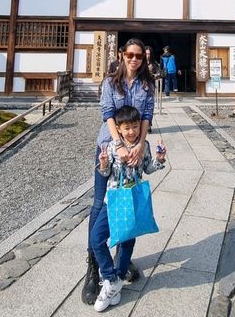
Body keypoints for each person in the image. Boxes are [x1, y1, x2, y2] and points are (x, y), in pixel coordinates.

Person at [82, 38, 155, 305]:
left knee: (128, 201)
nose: (134, 59)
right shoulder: (111, 82)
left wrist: (140, 144)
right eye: (130, 55)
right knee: (100, 205)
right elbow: (108, 113)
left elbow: (147, 115)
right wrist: (119, 144)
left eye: (139, 55)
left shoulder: (148, 84)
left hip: (135, 152)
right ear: (122, 55)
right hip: (109, 148)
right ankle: (93, 268)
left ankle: (119, 261)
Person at [90, 105, 166, 312]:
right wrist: (103, 164)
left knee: (126, 243)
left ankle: (118, 279)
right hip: (112, 200)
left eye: (135, 126)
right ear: (119, 129)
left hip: (132, 200)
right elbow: (105, 175)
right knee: (96, 239)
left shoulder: (144, 146)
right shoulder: (114, 147)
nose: (132, 131)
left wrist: (159, 160)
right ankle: (110, 278)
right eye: (127, 128)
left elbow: (148, 168)